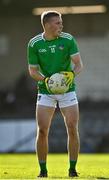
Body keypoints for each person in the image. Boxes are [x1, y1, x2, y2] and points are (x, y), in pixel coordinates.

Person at [27, 10, 83, 178]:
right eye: (58, 23)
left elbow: (79, 64)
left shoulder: (68, 39)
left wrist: (71, 75)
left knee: (72, 128)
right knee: (42, 130)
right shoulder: (34, 43)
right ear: (47, 25)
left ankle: (72, 169)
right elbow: (32, 71)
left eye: (61, 22)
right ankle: (43, 171)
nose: (61, 25)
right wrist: (46, 81)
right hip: (45, 91)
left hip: (68, 90)